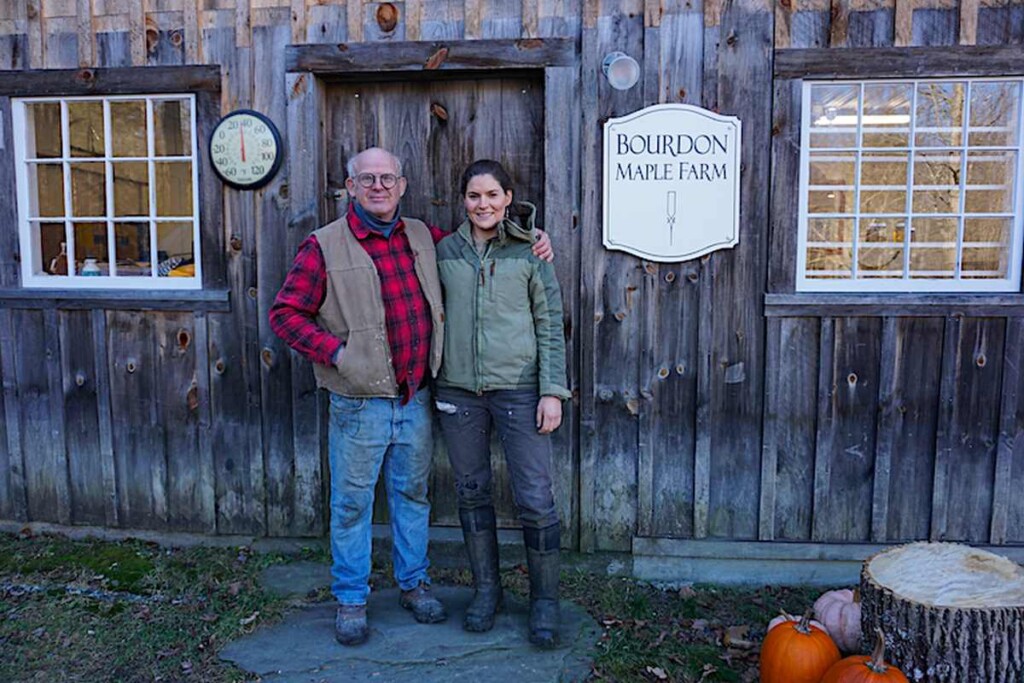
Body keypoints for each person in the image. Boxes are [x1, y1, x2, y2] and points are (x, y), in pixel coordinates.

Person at [269, 148, 552, 646]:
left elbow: (483, 243)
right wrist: (338, 352)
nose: (379, 186)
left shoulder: (422, 236)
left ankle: (414, 584)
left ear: (402, 186)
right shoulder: (324, 246)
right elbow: (286, 314)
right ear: (350, 187)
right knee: (353, 505)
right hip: (359, 402)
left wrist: (532, 235)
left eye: (388, 178)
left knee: (412, 497)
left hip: (416, 397)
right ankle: (352, 599)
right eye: (367, 179)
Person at [433, 159, 571, 649]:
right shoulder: (443, 251)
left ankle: (544, 602)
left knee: (535, 498)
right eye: (474, 196)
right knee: (471, 493)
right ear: (463, 201)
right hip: (457, 391)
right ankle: (486, 592)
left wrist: (552, 390)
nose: (483, 204)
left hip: (519, 389)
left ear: (509, 198)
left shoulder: (531, 253)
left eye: (493, 195)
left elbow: (550, 324)